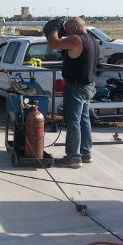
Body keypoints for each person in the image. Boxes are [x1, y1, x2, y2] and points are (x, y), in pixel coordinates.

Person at [47, 17, 99, 168]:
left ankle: (73, 158)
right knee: (84, 121)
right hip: (88, 85)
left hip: (76, 87)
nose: (67, 34)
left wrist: (54, 30)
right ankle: (85, 153)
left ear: (75, 28)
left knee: (73, 122)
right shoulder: (92, 38)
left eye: (68, 30)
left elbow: (52, 44)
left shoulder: (76, 39)